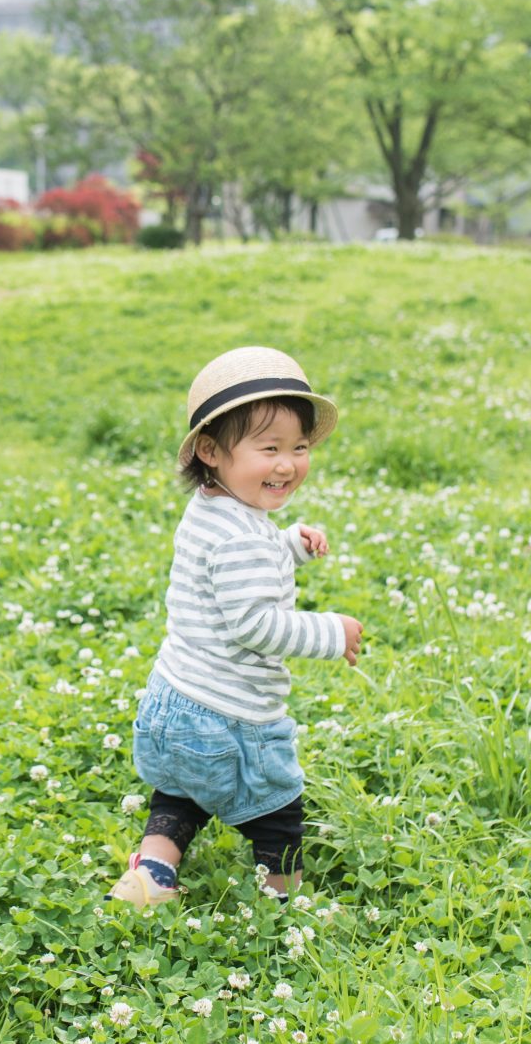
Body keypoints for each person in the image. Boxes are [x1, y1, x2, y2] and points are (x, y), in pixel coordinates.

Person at [107, 347, 364, 908]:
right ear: (211, 450)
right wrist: (332, 632)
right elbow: (254, 623)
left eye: (299, 448)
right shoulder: (243, 535)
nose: (287, 464)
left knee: (180, 793)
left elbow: (233, 570)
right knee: (278, 810)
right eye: (268, 448)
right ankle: (284, 902)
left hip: (171, 703)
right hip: (230, 719)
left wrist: (290, 544)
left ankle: (153, 871)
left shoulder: (214, 508)